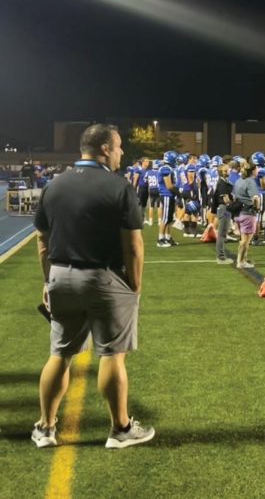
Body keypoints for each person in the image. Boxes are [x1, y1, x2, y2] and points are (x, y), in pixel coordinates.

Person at [31, 123, 154, 449]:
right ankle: (120, 429)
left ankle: (45, 428)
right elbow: (134, 246)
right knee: (113, 355)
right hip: (103, 278)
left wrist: (48, 279)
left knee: (59, 354)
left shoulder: (54, 185)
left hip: (60, 276)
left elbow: (42, 241)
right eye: (118, 146)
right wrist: (135, 285)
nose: (122, 152)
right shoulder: (118, 187)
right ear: (104, 149)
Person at [232, 159, 262, 268]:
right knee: (246, 240)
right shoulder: (250, 181)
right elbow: (255, 198)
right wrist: (257, 207)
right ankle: (241, 261)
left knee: (243, 239)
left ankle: (241, 259)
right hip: (248, 212)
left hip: (238, 212)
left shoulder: (239, 180)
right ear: (253, 171)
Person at [211, 162, 236, 264]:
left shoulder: (224, 182)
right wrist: (234, 205)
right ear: (222, 172)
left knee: (223, 233)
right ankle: (220, 257)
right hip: (224, 209)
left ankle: (221, 256)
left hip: (224, 209)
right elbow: (225, 199)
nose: (229, 171)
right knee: (222, 234)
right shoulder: (222, 183)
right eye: (226, 170)